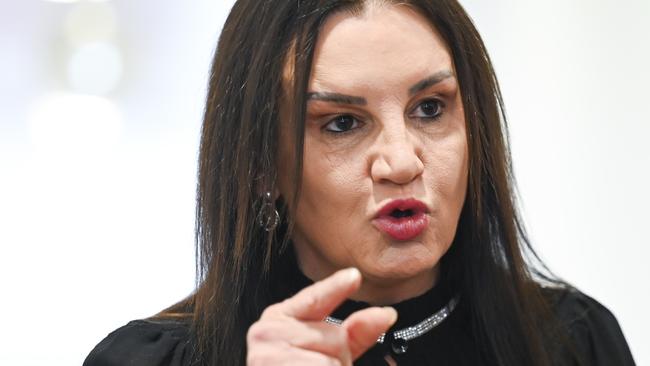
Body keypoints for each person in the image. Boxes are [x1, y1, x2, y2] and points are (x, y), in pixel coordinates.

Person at [83, 1, 636, 365]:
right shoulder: (145, 360)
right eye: (342, 123)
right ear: (260, 167)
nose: (400, 161)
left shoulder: (573, 342)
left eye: (429, 108)